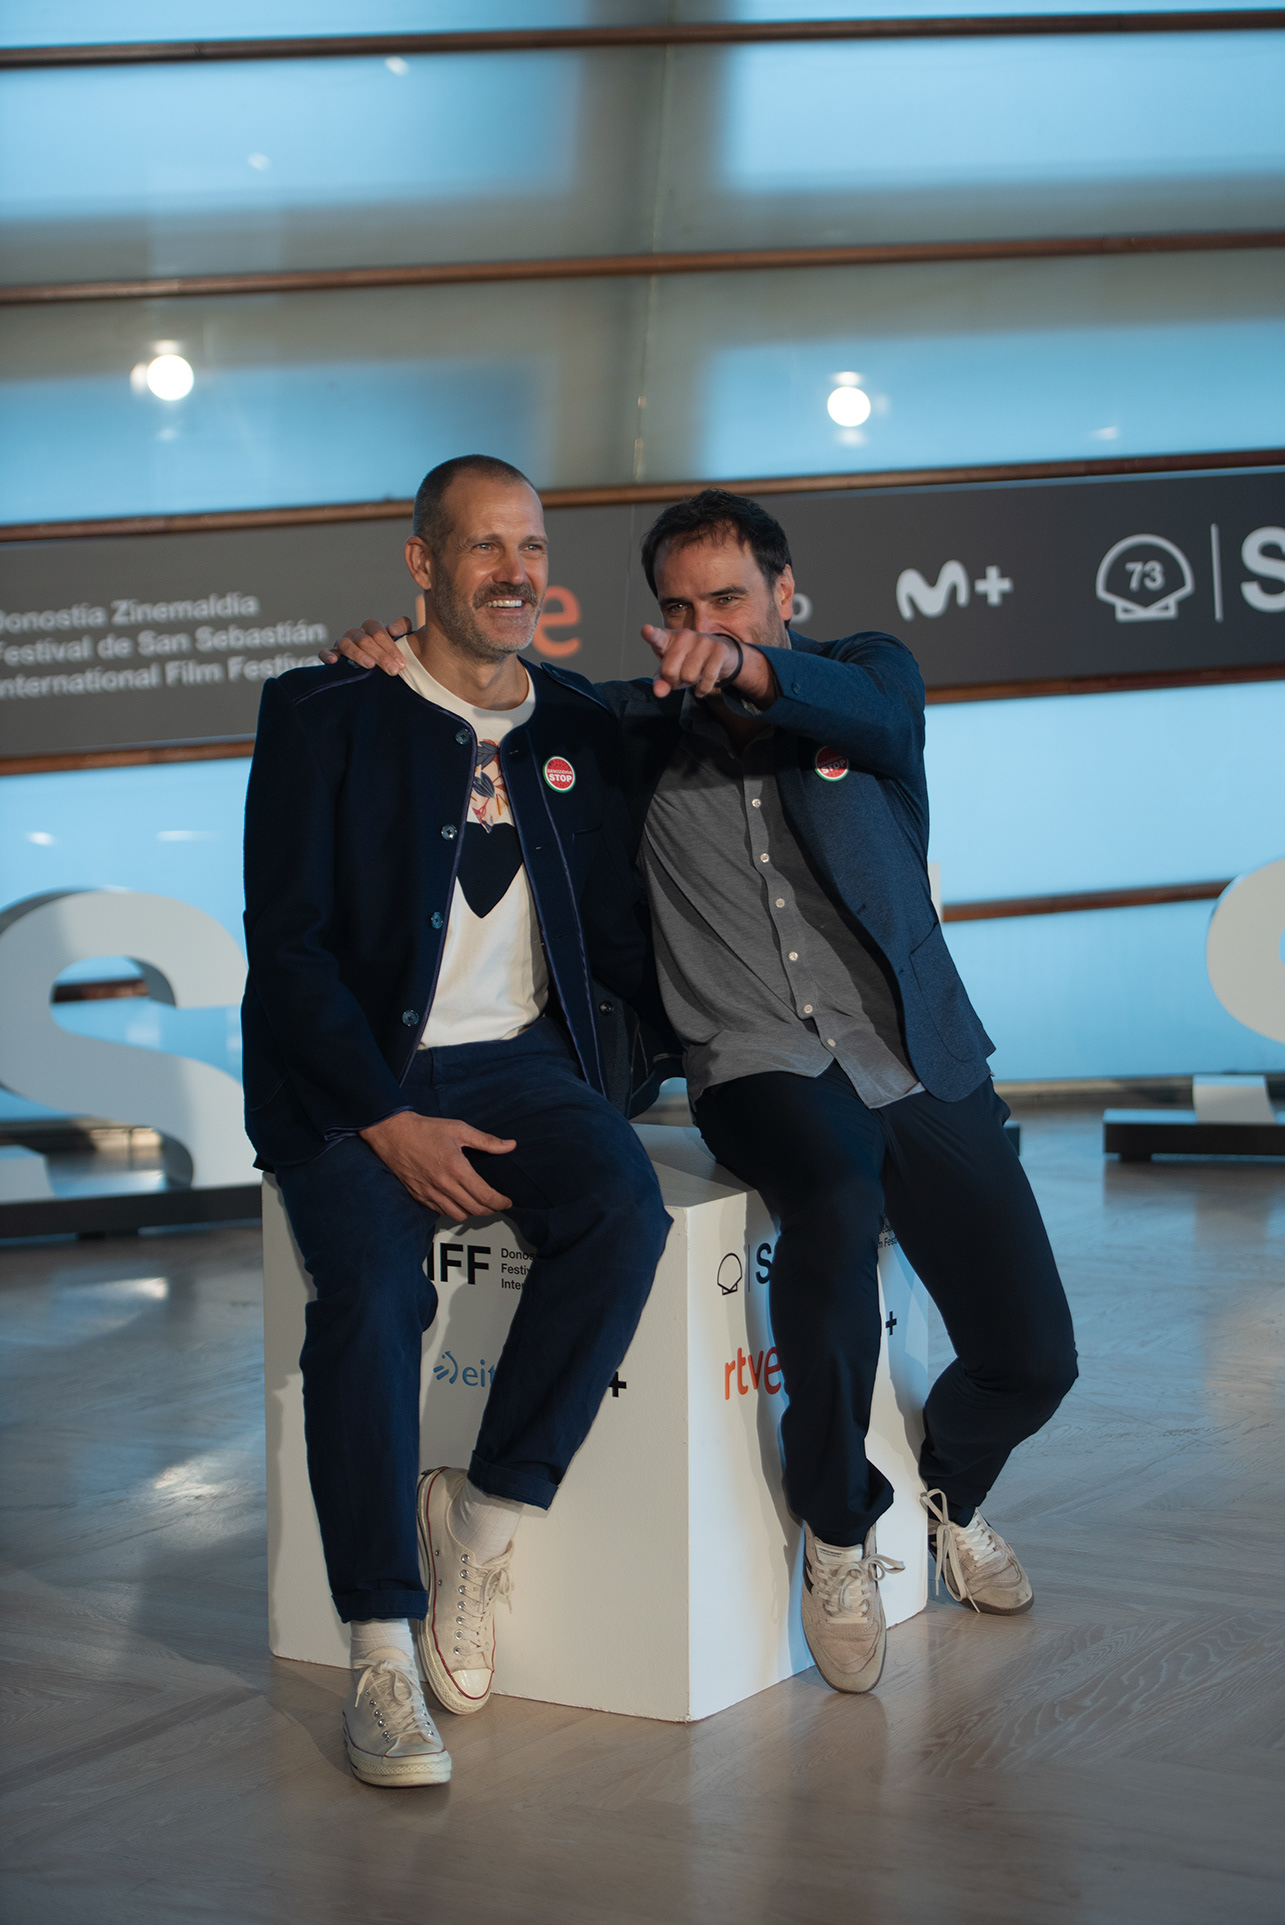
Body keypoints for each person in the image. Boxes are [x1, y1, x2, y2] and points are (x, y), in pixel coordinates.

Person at [330, 485, 1079, 1699]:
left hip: (913, 1055)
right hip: (753, 1062)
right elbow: (486, 689)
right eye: (678, 610)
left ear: (784, 593)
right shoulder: (629, 727)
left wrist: (744, 665)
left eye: (727, 601)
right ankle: (838, 1527)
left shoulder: (866, 679)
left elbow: (873, 707)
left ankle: (947, 1490)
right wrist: (390, 659)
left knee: (1034, 1356)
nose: (701, 629)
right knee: (832, 1203)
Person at [243, 454, 672, 1787]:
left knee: (623, 1204)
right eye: (483, 546)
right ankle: (381, 1647)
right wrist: (383, 1121)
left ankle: (480, 1522)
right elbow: (288, 951)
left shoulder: (582, 724)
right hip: (352, 1075)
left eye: (530, 546)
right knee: (373, 1298)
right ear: (422, 563)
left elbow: (616, 935)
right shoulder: (323, 711)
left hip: (518, 1066)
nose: (514, 570)